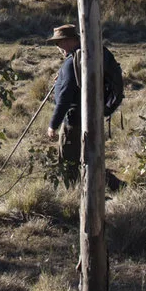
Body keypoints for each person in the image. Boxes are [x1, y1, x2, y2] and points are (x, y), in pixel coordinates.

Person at [43, 24, 124, 191]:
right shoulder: (88, 57)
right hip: (93, 116)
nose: (57, 47)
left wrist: (53, 124)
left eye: (58, 43)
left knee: (69, 162)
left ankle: (73, 193)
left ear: (67, 41)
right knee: (90, 158)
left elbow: (65, 98)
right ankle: (114, 187)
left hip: (74, 121)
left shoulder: (72, 62)